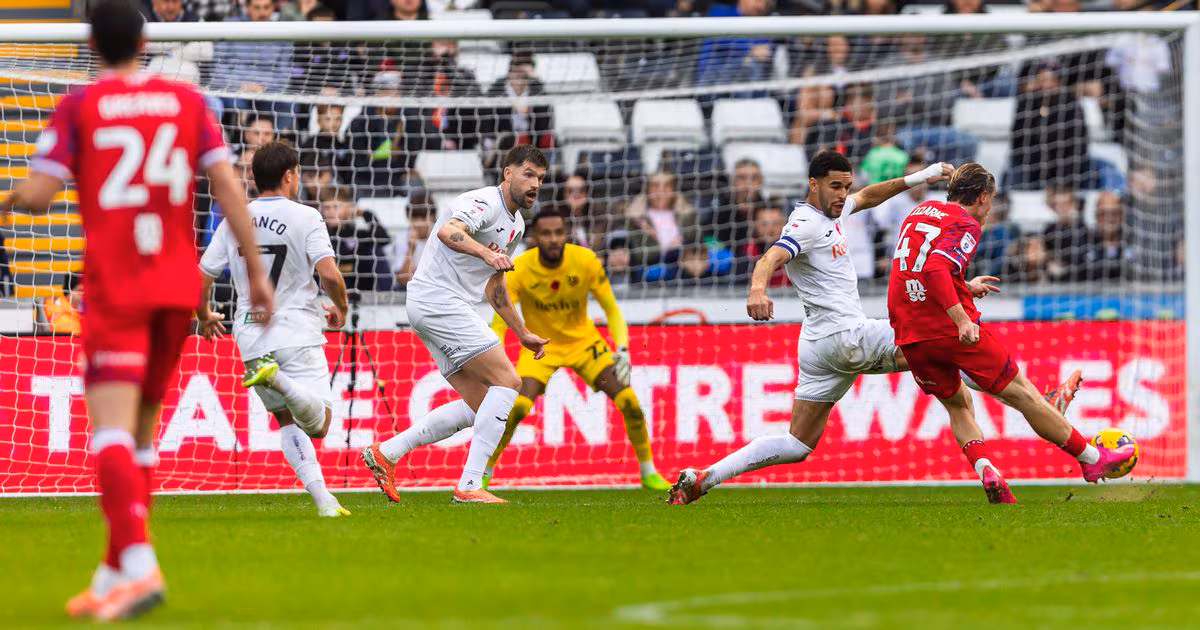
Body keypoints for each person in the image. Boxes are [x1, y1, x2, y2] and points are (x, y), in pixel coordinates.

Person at [0, 0, 273, 620]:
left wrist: (15, 196)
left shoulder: (81, 105)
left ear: (92, 45)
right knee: (142, 432)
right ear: (145, 42)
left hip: (118, 288)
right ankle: (112, 572)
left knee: (111, 433)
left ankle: (141, 564)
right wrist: (255, 274)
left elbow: (41, 195)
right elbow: (228, 187)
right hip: (177, 288)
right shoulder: (187, 102)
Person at [668, 152, 1080, 507]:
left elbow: (869, 196)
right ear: (813, 185)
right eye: (835, 186)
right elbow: (770, 257)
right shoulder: (805, 224)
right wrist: (758, 290)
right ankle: (1036, 403)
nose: (842, 195)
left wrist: (921, 177)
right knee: (940, 340)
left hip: (817, 346)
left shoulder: (831, 211)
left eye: (845, 186)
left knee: (797, 444)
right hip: (848, 337)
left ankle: (705, 477)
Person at [886, 163, 1136, 496]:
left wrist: (963, 285)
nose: (990, 208)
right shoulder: (966, 223)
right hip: (946, 326)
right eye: (990, 200)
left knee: (958, 405)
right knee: (1023, 394)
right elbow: (934, 269)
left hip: (909, 332)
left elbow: (918, 267)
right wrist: (961, 319)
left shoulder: (921, 211)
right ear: (982, 197)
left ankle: (987, 470)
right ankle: (1092, 458)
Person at [361, 145, 549, 504]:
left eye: (540, 179)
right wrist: (485, 252)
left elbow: (495, 285)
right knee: (509, 382)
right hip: (439, 300)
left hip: (435, 305)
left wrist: (522, 332)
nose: (535, 184)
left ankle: (387, 452)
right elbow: (449, 231)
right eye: (528, 174)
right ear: (508, 173)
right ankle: (470, 485)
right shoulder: (484, 202)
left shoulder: (516, 225)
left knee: (482, 404)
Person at [196, 141, 351, 518]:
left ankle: (324, 501)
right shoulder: (306, 216)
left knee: (284, 419)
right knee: (320, 425)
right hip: (297, 330)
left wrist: (203, 315)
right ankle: (279, 379)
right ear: (289, 175)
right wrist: (342, 309)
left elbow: (202, 274)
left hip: (251, 334)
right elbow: (329, 274)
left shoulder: (235, 217)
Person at [486, 210, 670, 490]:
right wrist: (497, 356)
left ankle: (648, 471)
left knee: (630, 402)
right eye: (546, 233)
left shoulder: (585, 261)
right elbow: (501, 318)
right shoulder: (519, 268)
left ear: (566, 234)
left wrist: (622, 348)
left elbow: (612, 310)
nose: (553, 239)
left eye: (558, 233)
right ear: (534, 237)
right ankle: (484, 471)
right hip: (542, 347)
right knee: (518, 408)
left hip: (584, 344)